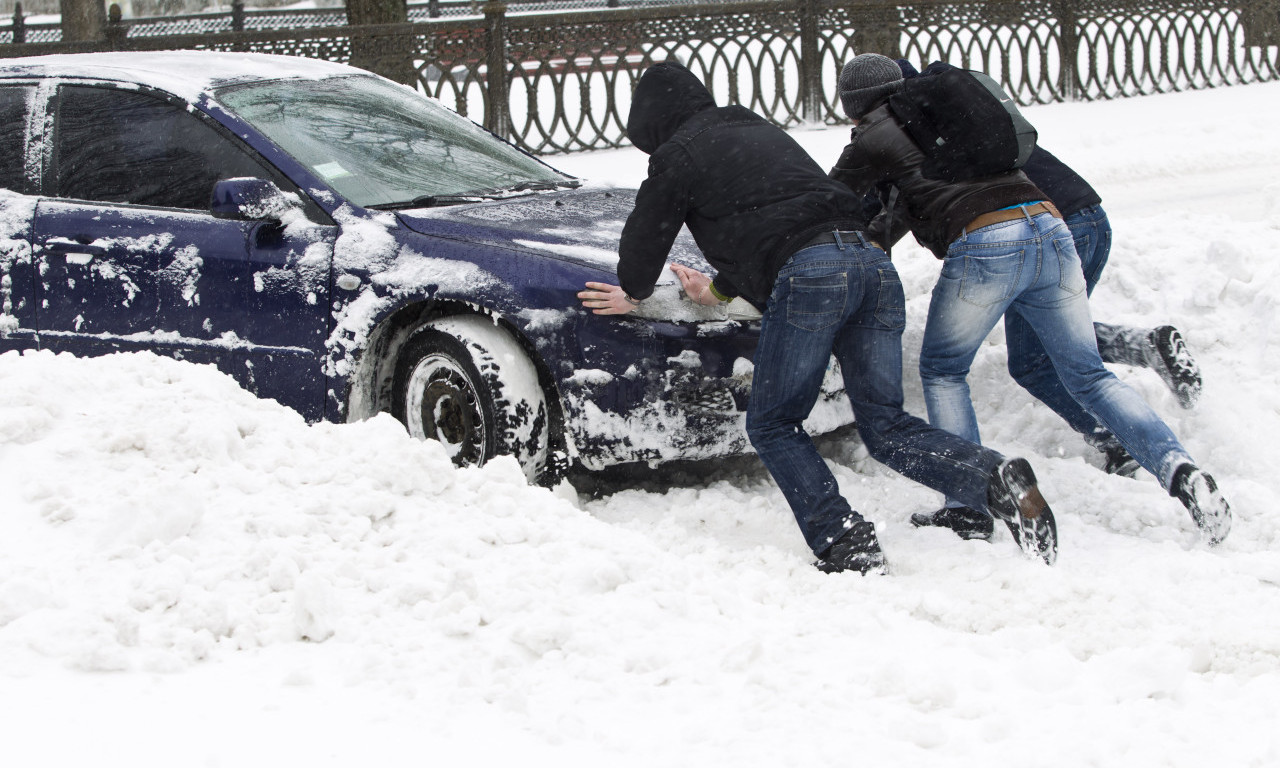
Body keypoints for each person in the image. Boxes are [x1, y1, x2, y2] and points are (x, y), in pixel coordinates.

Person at [577, 61, 1060, 573]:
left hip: (813, 275)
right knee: (886, 424)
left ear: (650, 120)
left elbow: (648, 230)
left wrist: (633, 290)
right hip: (871, 263)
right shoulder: (754, 128)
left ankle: (845, 541)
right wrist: (717, 290)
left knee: (773, 422)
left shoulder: (678, 153)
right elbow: (774, 218)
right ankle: (995, 479)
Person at [828, 53, 1230, 545]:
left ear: (853, 105)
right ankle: (1183, 471)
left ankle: (966, 506)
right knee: (1089, 375)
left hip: (988, 241)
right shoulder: (946, 112)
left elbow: (831, 204)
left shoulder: (873, 135)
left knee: (944, 370)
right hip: (1050, 226)